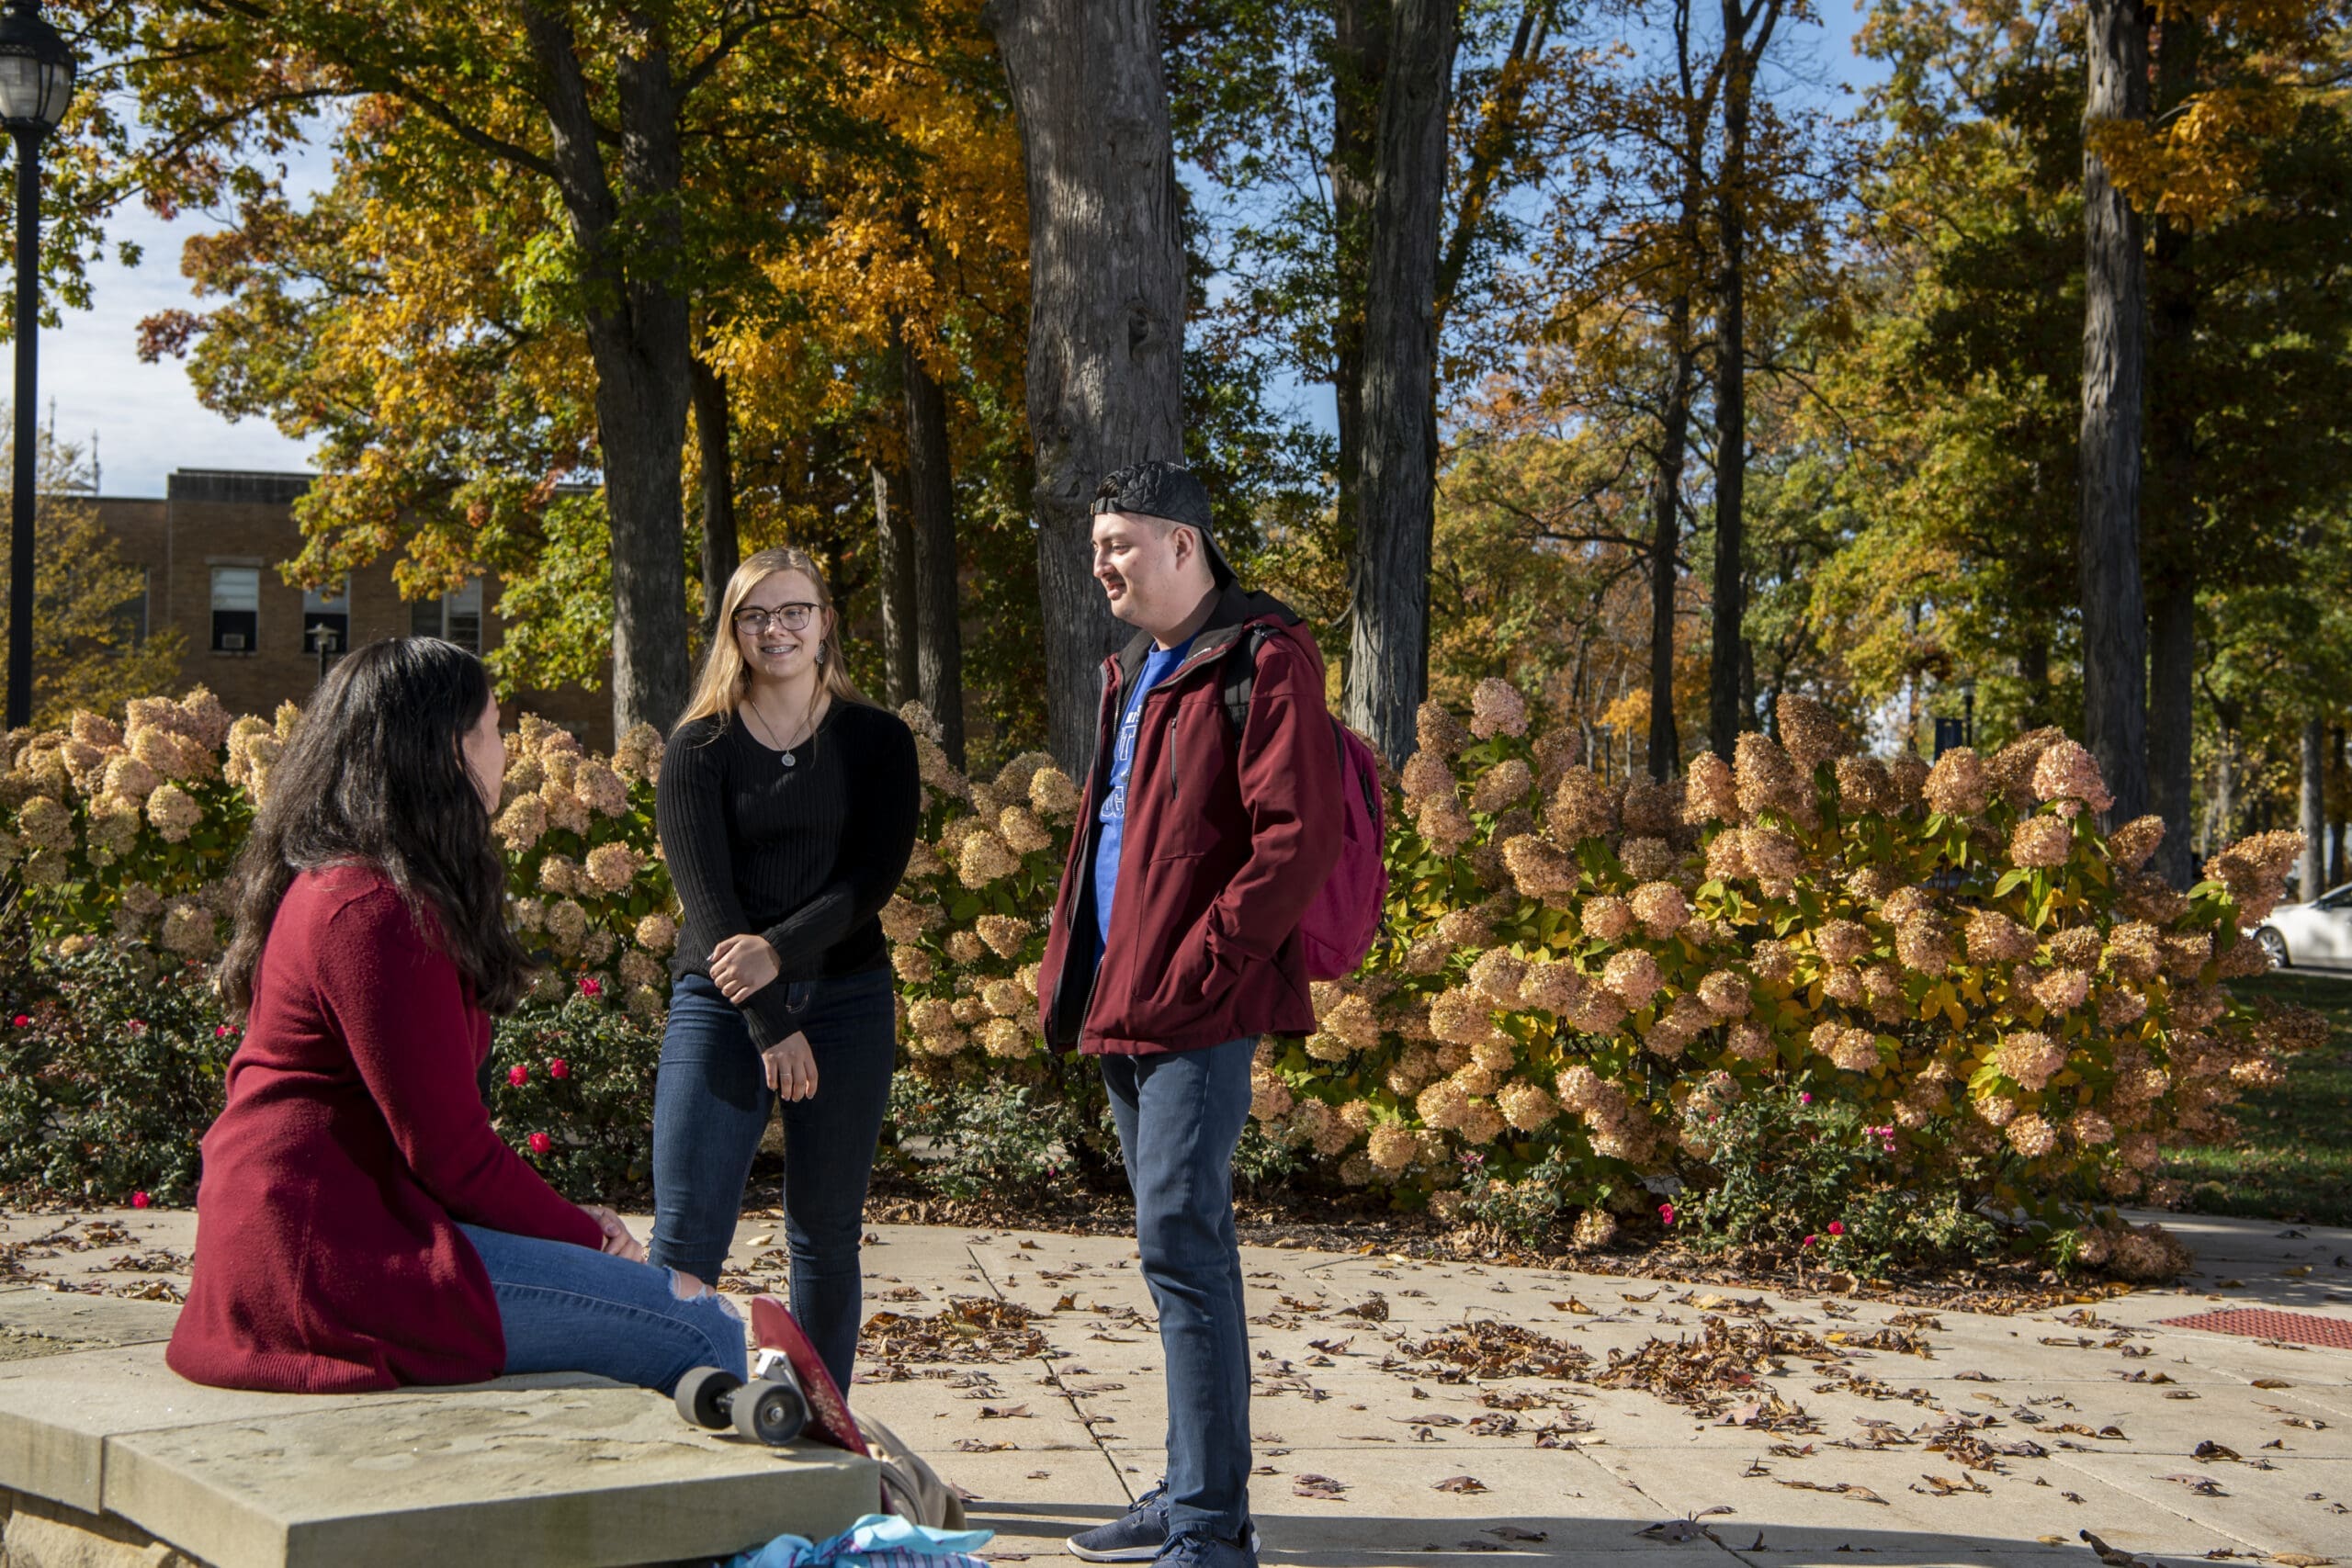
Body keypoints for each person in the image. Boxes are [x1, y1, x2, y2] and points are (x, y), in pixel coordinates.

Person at [169, 637, 744, 1396]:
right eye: (496, 728)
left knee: (678, 1314)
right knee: (704, 1326)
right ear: (448, 749)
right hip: (332, 1265)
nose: (505, 750)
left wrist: (573, 1226)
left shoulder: (359, 884)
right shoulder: (373, 910)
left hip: (335, 1239)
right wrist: (590, 1234)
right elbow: (451, 1155)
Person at [1038, 460, 1342, 1568]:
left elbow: (1294, 835)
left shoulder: (1263, 655)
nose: (1102, 563)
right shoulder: (1139, 666)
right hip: (1126, 996)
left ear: (1183, 544)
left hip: (1197, 1004)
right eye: (1095, 547)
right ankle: (1187, 1489)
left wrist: (1209, 964)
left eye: (1117, 542)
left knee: (1182, 1239)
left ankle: (1213, 1530)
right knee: (1172, 1245)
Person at [652, 546, 920, 1395]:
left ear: (825, 621)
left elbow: (870, 880)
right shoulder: (700, 747)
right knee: (688, 1233)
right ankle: (662, 1417)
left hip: (849, 999)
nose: (778, 629)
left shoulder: (877, 740)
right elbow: (709, 899)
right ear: (734, 629)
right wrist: (771, 1016)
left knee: (826, 1233)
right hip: (723, 1006)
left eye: (794, 611)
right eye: (757, 615)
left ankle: (821, 1425)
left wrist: (782, 950)